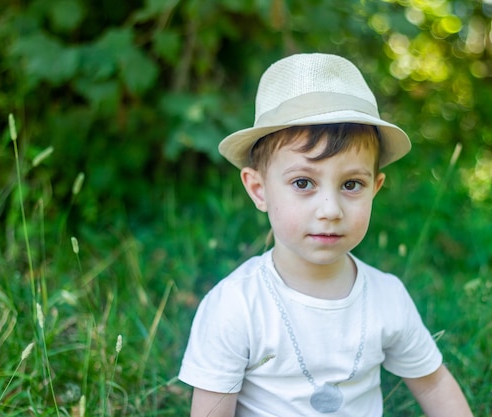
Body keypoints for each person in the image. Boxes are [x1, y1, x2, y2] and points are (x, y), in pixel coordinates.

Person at [178, 53, 473, 417]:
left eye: (351, 184)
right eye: (303, 183)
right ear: (259, 190)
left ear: (375, 188)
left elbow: (434, 383)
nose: (331, 209)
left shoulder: (387, 297)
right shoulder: (236, 305)